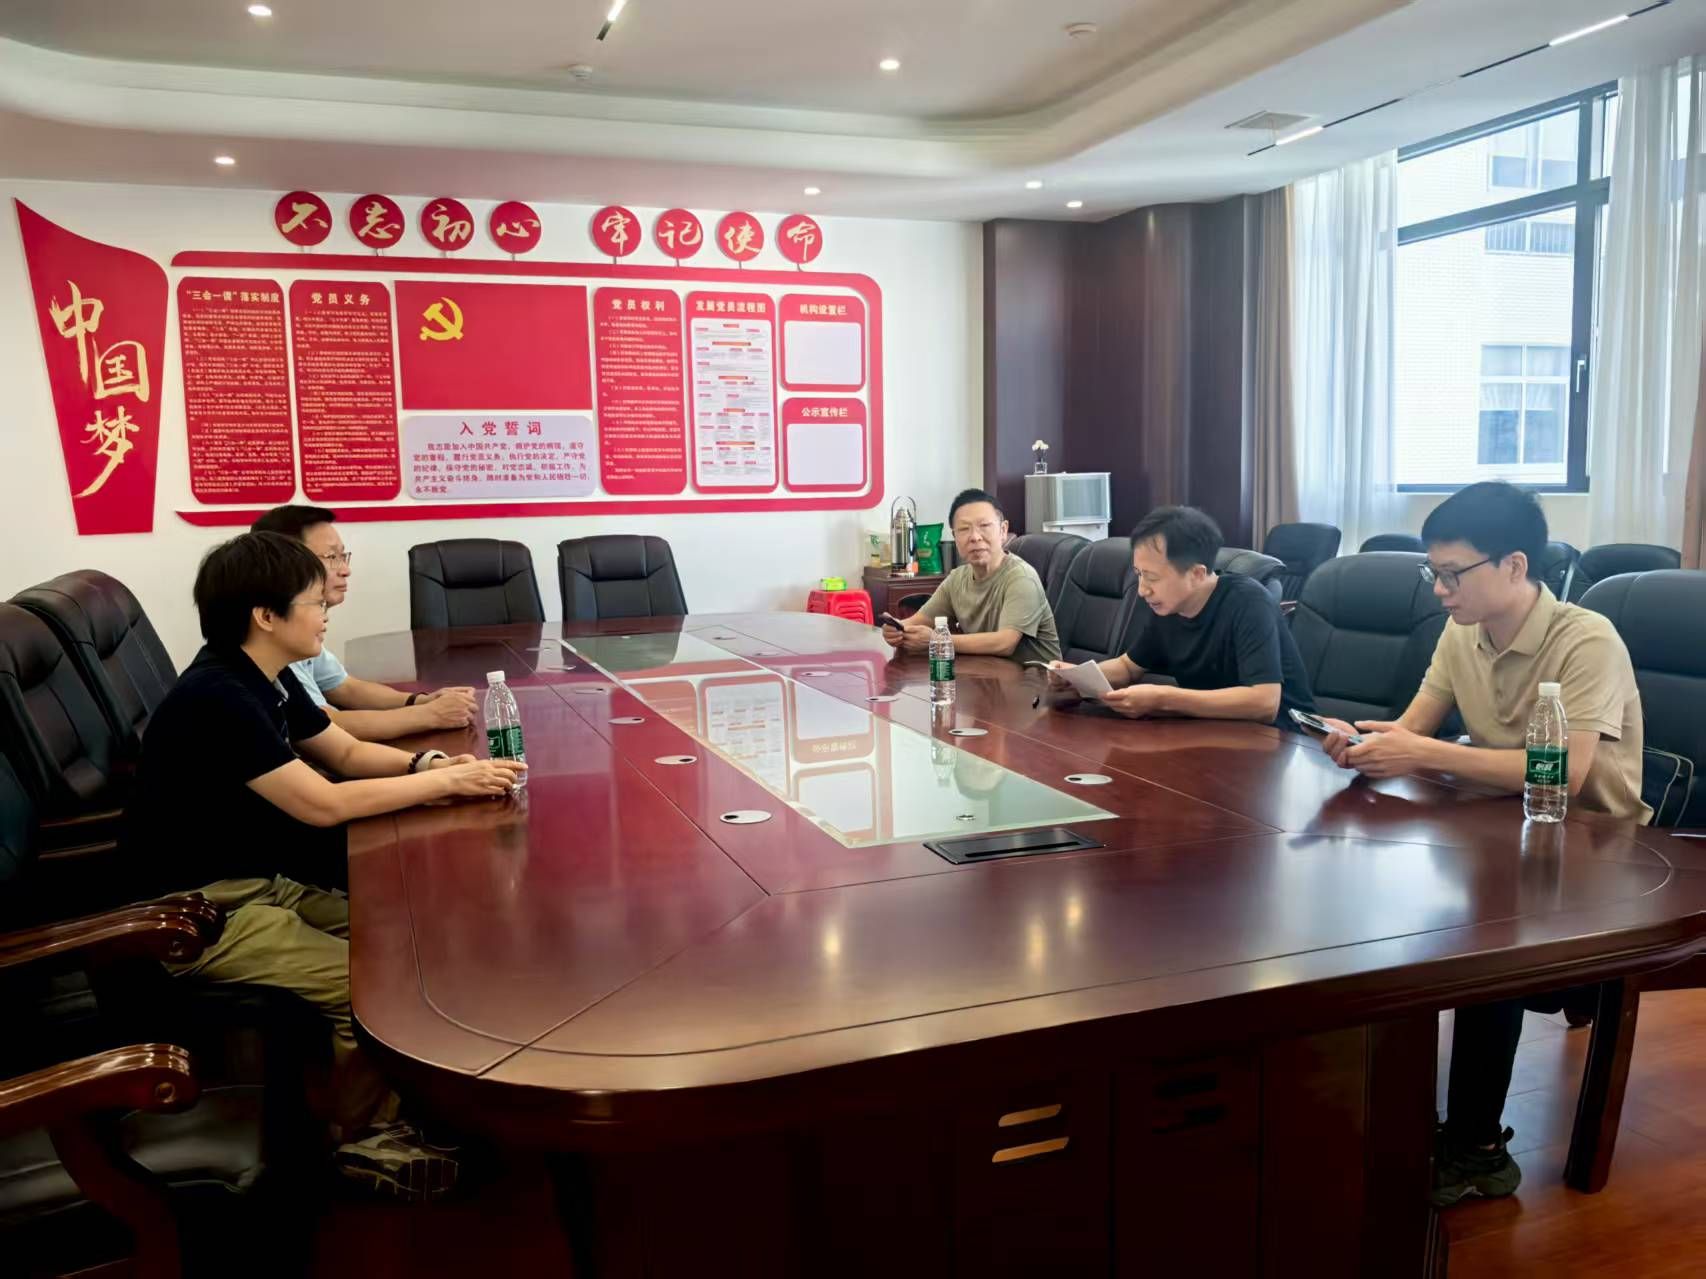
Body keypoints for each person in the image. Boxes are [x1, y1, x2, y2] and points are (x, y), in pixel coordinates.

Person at [123, 531, 526, 1199]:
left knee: (403, 936)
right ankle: (360, 1136)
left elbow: (342, 751)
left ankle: (407, 1094)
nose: (327, 612)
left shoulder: (268, 674)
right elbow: (321, 802)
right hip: (198, 917)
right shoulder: (217, 695)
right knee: (367, 988)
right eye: (314, 601)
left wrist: (427, 763)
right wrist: (445, 784)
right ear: (266, 614)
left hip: (258, 886)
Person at [1320, 482, 1649, 1207]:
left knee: (1485, 937)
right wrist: (1365, 742)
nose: (1439, 590)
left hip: (1598, 850)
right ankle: (1376, 1111)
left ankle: (1478, 1150)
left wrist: (1423, 753)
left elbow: (1565, 772)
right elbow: (1414, 729)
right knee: (1383, 906)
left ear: (1514, 564)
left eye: (1452, 574)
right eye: (1432, 573)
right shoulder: (1461, 631)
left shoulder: (1586, 638)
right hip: (1504, 827)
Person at [1049, 505, 1315, 727]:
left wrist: (1165, 699)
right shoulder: (1168, 606)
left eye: (1152, 577)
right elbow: (1128, 667)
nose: (1142, 590)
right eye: (1139, 574)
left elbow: (1265, 702)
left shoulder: (1249, 602)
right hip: (1213, 734)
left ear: (1197, 574)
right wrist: (1078, 677)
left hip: (1281, 742)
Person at [250, 505, 477, 741]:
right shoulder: (273, 638)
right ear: (287, 561)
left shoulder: (298, 626)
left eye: (343, 556)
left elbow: (345, 687)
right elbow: (324, 726)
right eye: (332, 557)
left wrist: (422, 701)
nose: (346, 570)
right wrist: (430, 714)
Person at [884, 488, 1061, 664]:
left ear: (1003, 530)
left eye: (984, 526)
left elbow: (1005, 643)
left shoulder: (1022, 577)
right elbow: (917, 621)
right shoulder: (957, 579)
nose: (975, 537)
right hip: (988, 673)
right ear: (955, 536)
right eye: (964, 529)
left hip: (1036, 677)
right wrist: (897, 628)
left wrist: (938, 640)